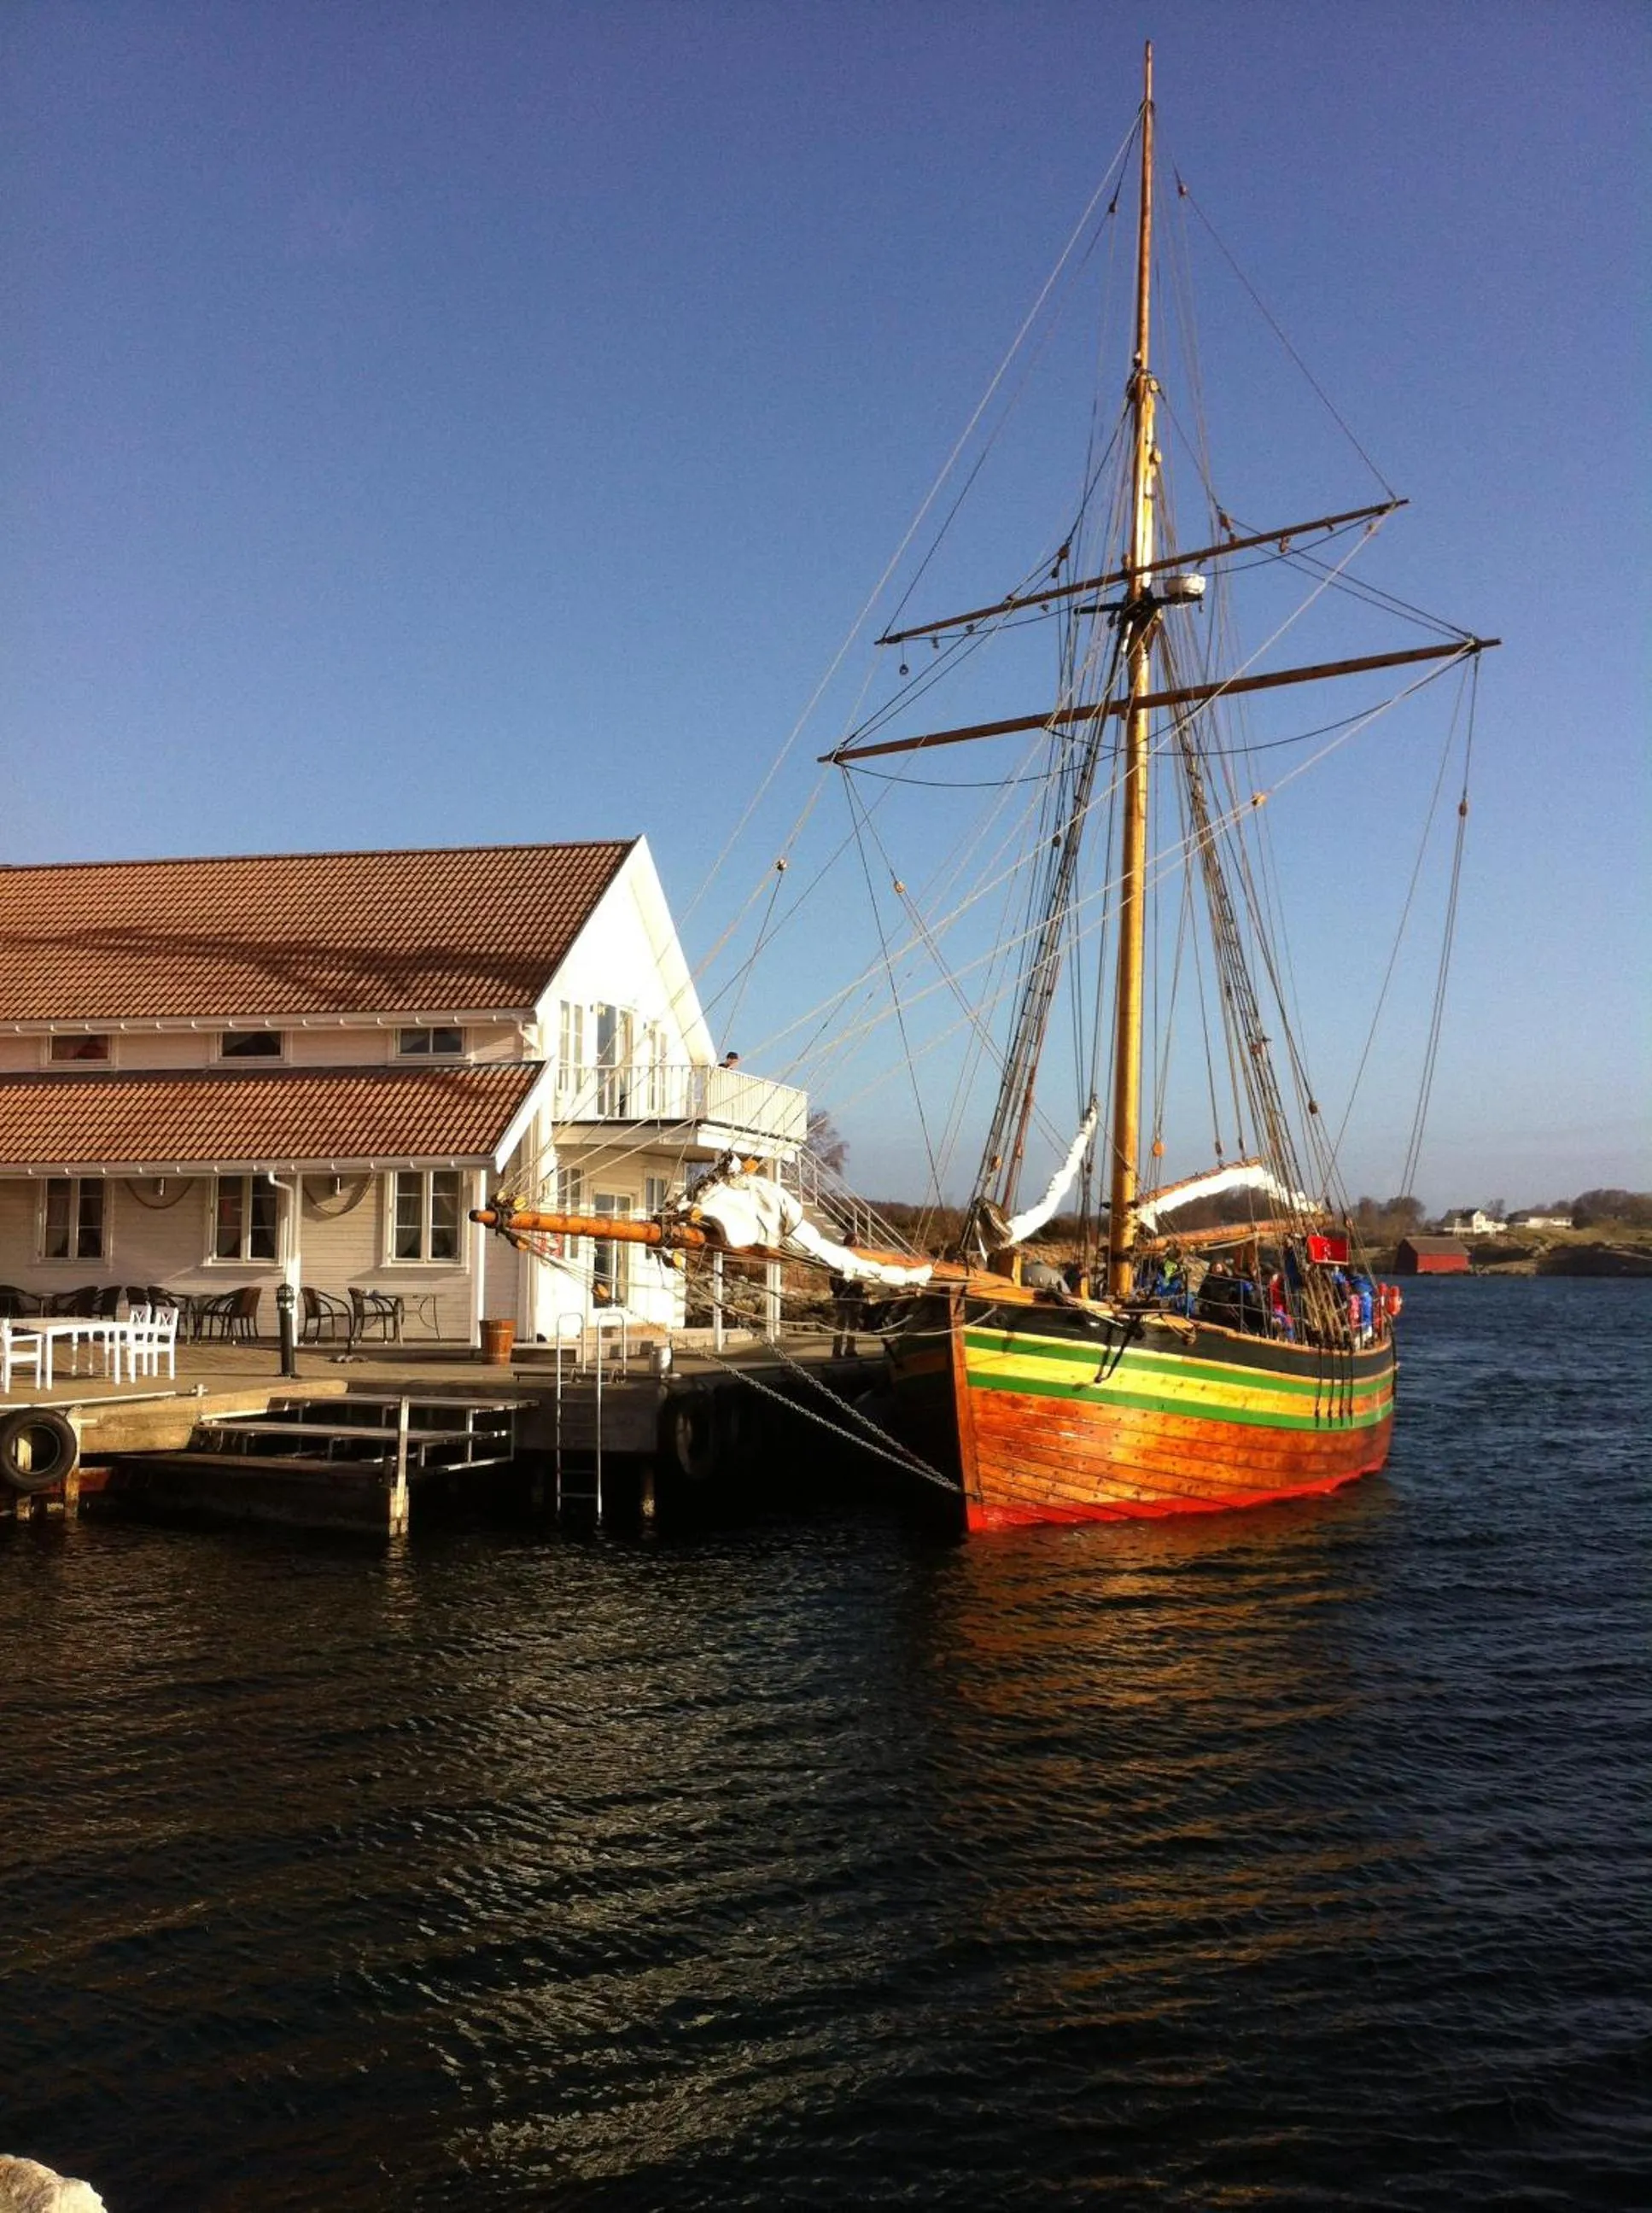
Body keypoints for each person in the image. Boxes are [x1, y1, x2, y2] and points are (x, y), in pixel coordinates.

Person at [829, 1236, 867, 1356]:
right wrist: (843, 1287)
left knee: (853, 1325)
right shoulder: (838, 1260)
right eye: (854, 1245)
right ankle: (837, 1351)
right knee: (840, 1324)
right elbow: (834, 1280)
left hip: (855, 1296)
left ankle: (850, 1349)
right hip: (843, 1296)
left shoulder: (857, 1261)